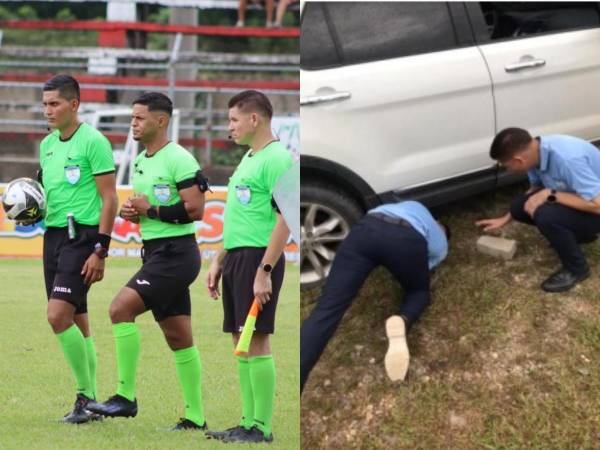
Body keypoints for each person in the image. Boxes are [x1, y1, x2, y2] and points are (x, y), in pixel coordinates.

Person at [87, 92, 208, 430]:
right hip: (157, 252)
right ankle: (196, 418)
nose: (133, 124)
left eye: (139, 118)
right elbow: (152, 211)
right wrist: (135, 215)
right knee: (179, 338)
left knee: (119, 309)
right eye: (132, 118)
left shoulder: (179, 159)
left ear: (161, 121)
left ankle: (125, 397)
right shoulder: (141, 160)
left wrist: (149, 210)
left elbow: (196, 209)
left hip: (177, 254)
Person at [204, 90, 292, 443]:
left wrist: (264, 271)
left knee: (256, 340)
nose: (230, 128)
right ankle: (247, 421)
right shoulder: (250, 158)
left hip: (258, 260)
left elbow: (286, 219)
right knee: (239, 341)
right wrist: (218, 260)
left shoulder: (278, 159)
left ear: (254, 119)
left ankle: (262, 427)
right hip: (238, 260)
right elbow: (239, 218)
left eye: (234, 120)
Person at [301, 201, 449, 392]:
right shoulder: (441, 238)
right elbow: (427, 264)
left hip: (365, 229)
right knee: (419, 292)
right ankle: (403, 320)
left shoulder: (414, 205)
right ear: (442, 228)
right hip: (404, 238)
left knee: (326, 309)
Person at [39, 74, 118, 423]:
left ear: (74, 104)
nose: (48, 111)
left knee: (57, 316)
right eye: (44, 104)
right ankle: (93, 403)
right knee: (79, 321)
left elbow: (110, 198)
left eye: (54, 103)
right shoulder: (48, 145)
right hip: (52, 237)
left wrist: (100, 249)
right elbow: (45, 194)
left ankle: (85, 398)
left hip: (82, 238)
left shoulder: (94, 142)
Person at [476, 128, 600, 292]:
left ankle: (577, 270)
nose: (508, 170)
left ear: (518, 160)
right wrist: (506, 217)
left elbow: (598, 205)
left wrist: (551, 194)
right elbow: (536, 188)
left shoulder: (568, 159)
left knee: (546, 216)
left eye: (507, 166)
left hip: (596, 206)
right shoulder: (536, 154)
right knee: (520, 207)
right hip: (581, 199)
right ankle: (582, 235)